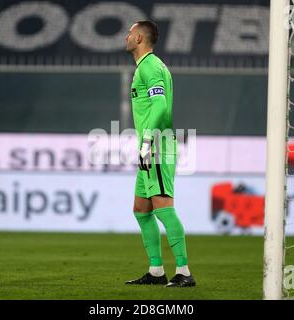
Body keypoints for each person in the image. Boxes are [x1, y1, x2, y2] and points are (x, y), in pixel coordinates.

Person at [124, 20, 195, 287]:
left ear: (140, 38)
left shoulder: (150, 67)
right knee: (141, 210)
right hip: (152, 146)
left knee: (164, 208)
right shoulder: (149, 66)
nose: (126, 37)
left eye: (130, 33)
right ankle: (156, 271)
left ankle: (184, 272)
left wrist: (146, 141)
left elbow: (161, 105)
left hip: (156, 146)